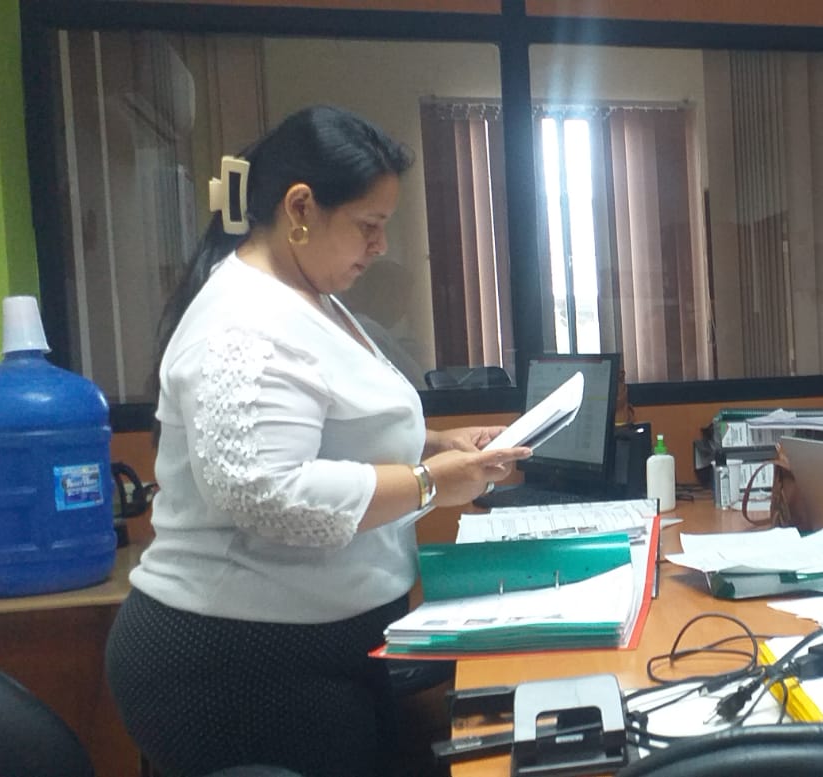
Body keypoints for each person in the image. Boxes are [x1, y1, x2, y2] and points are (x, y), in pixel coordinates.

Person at [105, 106, 529, 777]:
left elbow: (335, 430)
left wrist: (439, 443)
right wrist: (432, 483)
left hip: (322, 643)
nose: (380, 245)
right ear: (300, 207)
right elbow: (270, 493)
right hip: (237, 663)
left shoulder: (310, 296)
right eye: (369, 224)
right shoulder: (244, 323)